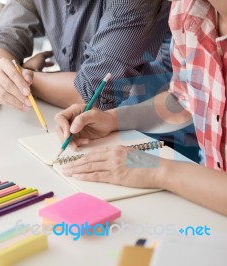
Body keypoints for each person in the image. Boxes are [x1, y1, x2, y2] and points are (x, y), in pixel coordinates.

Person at [54, 0, 227, 216]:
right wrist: (113, 119)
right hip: (206, 207)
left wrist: (161, 171)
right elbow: (184, 100)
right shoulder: (188, 10)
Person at [0, 0, 172, 111]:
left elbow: (94, 95)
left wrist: (22, 76)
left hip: (156, 137)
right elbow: (2, 41)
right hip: (80, 124)